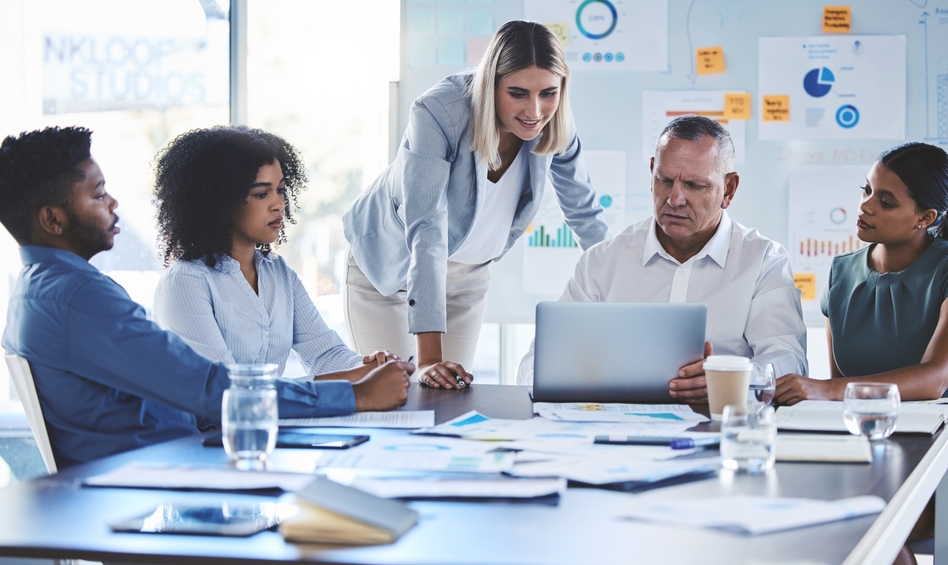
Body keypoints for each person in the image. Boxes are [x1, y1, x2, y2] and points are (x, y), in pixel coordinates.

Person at [0, 126, 413, 468]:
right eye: (97, 194)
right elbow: (211, 391)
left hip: (178, 465)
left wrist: (363, 376)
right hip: (168, 475)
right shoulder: (78, 297)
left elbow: (200, 386)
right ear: (52, 219)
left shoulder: (48, 289)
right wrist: (355, 394)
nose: (113, 202)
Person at [343, 20, 610, 389]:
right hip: (391, 270)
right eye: (517, 93)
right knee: (396, 399)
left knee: (446, 399)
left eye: (548, 92)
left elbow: (585, 213)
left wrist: (623, 293)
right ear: (491, 84)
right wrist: (429, 360)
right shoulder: (439, 112)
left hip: (469, 276)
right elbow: (427, 229)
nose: (535, 110)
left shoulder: (552, 117)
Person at [774, 143, 948, 559]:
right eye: (867, 190)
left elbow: (935, 378)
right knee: (809, 515)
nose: (865, 205)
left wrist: (824, 389)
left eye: (885, 200)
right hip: (877, 451)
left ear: (925, 218)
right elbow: (842, 388)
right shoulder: (842, 273)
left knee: (870, 524)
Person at [516, 115, 808, 403]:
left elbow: (788, 361)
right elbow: (535, 367)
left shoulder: (763, 261)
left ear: (728, 189)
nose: (675, 199)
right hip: (616, 429)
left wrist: (728, 377)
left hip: (718, 425)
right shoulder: (604, 261)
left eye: (695, 186)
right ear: (652, 171)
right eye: (665, 180)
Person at [151, 125, 394, 382]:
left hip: (271, 421)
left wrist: (372, 366)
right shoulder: (185, 283)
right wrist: (341, 386)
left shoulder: (279, 274)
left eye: (280, 189)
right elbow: (227, 391)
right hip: (217, 423)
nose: (278, 204)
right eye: (261, 193)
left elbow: (325, 355)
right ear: (220, 201)